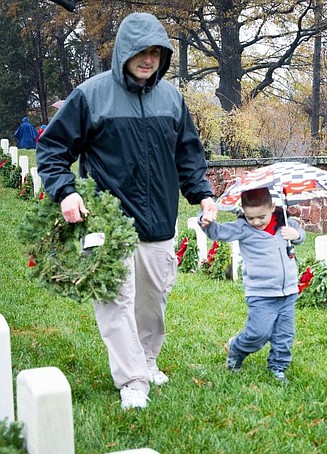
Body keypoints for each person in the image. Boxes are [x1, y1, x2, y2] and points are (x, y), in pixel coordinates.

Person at [36, 12, 218, 410]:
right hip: (107, 226)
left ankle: (147, 361)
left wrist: (202, 194)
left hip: (157, 225)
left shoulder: (171, 98)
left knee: (152, 302)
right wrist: (65, 192)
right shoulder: (91, 95)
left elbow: (188, 153)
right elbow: (51, 151)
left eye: (156, 52)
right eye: (141, 51)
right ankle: (133, 380)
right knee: (116, 302)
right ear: (124, 52)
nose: (148, 59)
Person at [199, 187, 305, 385]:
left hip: (288, 291)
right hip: (261, 293)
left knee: (285, 335)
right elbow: (218, 233)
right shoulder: (243, 228)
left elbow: (300, 235)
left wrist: (296, 235)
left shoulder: (286, 222)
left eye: (261, 217)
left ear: (273, 207)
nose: (256, 222)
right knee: (259, 333)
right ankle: (237, 348)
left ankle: (278, 367)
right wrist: (206, 221)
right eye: (251, 217)